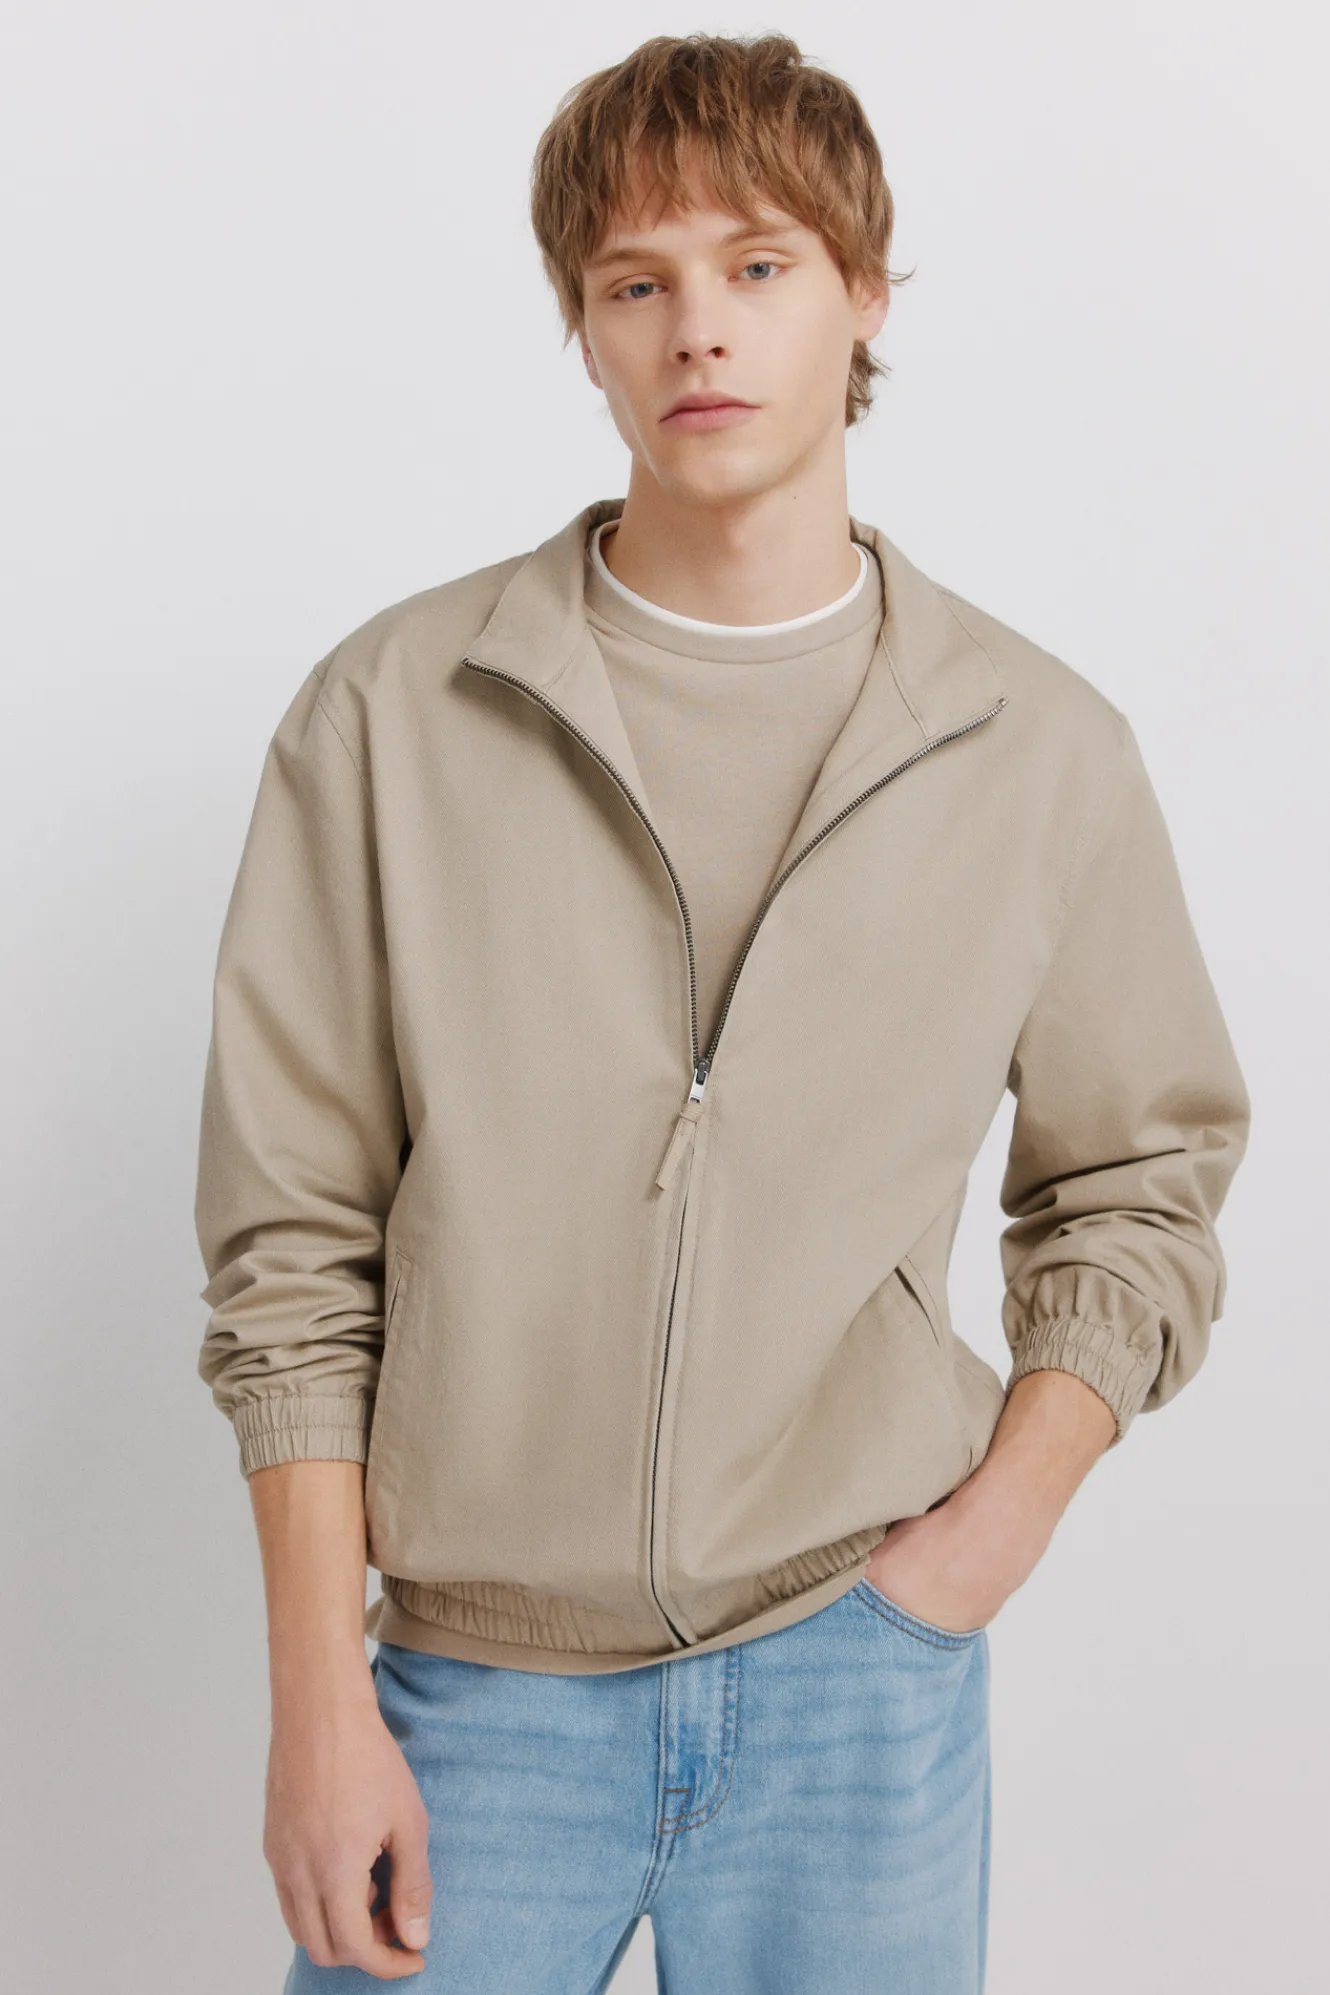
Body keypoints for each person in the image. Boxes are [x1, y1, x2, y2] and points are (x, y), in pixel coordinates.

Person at [193, 31, 1251, 1994]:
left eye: (757, 265)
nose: (698, 327)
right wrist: (319, 1706)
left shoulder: (1033, 748)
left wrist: (979, 1546)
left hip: (853, 1675)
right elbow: (291, 1248)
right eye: (634, 281)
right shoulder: (391, 718)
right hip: (472, 1695)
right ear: (583, 331)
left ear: (863, 292)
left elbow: (1137, 1181)